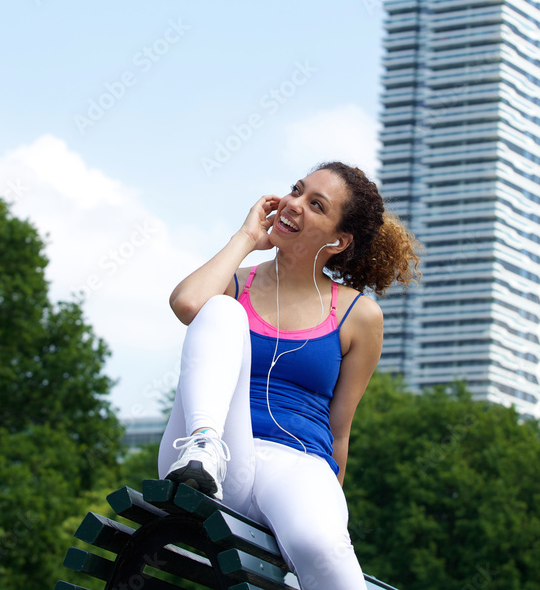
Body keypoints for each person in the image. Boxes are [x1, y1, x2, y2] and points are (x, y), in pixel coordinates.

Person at [158, 161, 420, 590]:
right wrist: (246, 238)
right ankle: (204, 446)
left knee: (320, 548)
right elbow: (188, 304)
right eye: (296, 190)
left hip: (295, 463)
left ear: (338, 240)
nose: (293, 204)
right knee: (219, 310)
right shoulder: (232, 284)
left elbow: (339, 431)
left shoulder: (359, 316)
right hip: (211, 452)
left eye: (315, 204)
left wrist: (327, 502)